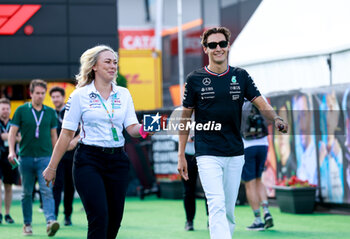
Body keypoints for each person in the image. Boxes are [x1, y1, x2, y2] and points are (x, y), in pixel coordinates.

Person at [177, 27, 288, 239]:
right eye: (212, 45)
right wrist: (181, 154)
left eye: (222, 44)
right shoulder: (194, 79)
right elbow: (185, 118)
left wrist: (276, 118)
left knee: (228, 208)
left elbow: (260, 102)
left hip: (236, 151)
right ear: (205, 49)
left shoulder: (241, 76)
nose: (218, 48)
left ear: (228, 46)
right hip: (207, 152)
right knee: (216, 203)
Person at [43, 45, 151, 239]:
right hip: (88, 161)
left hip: (118, 160)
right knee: (99, 218)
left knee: (114, 221)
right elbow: (66, 135)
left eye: (115, 62)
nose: (113, 66)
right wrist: (52, 167)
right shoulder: (79, 95)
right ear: (94, 66)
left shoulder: (124, 94)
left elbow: (132, 128)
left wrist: (146, 127)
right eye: (108, 62)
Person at [7, 79, 60, 236]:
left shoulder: (50, 112)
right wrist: (11, 151)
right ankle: (27, 224)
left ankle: (50, 221)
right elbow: (12, 132)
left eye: (43, 93)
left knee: (47, 190)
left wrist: (54, 159)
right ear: (31, 93)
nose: (40, 96)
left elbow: (54, 137)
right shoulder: (22, 110)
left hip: (45, 158)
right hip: (26, 158)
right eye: (37, 93)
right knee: (27, 193)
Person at [241, 99, 273, 231]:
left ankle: (258, 220)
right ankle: (266, 211)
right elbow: (269, 119)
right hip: (263, 144)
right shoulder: (261, 97)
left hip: (247, 145)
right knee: (259, 180)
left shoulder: (236, 99)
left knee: (250, 183)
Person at [49, 86, 79, 226]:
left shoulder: (71, 110)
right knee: (56, 186)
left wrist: (74, 141)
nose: (55, 99)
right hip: (56, 156)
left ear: (63, 97)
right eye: (53, 97)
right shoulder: (49, 114)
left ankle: (68, 216)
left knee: (69, 186)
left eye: (57, 96)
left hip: (72, 156)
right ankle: (53, 217)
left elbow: (83, 128)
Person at [0, 98, 21, 224]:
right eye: (2, 108)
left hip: (11, 157)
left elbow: (20, 137)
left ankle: (7, 214)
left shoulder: (14, 123)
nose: (5, 111)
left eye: (7, 109)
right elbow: (14, 137)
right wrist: (13, 136)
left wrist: (12, 136)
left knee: (8, 186)